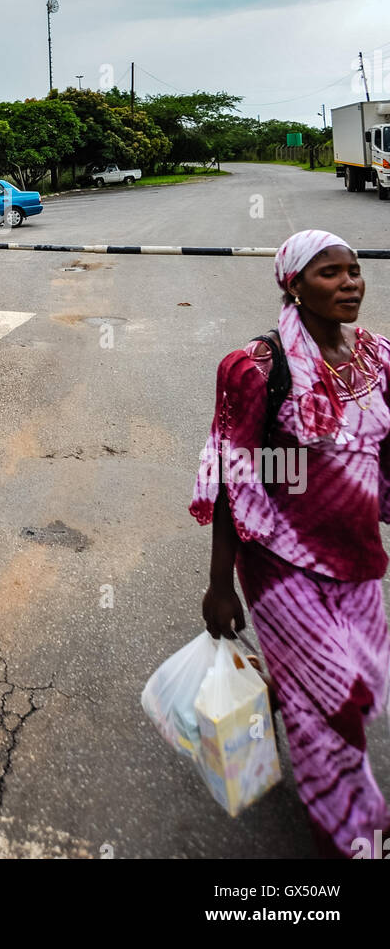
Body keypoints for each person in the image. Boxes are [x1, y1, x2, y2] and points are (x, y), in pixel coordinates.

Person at [191, 229, 390, 858]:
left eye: (354, 271)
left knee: (359, 676)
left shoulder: (379, 359)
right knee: (339, 706)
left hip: (356, 559)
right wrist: (221, 584)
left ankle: (272, 698)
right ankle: (357, 834)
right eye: (329, 273)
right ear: (293, 285)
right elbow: (232, 474)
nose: (349, 282)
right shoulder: (256, 368)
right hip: (281, 562)